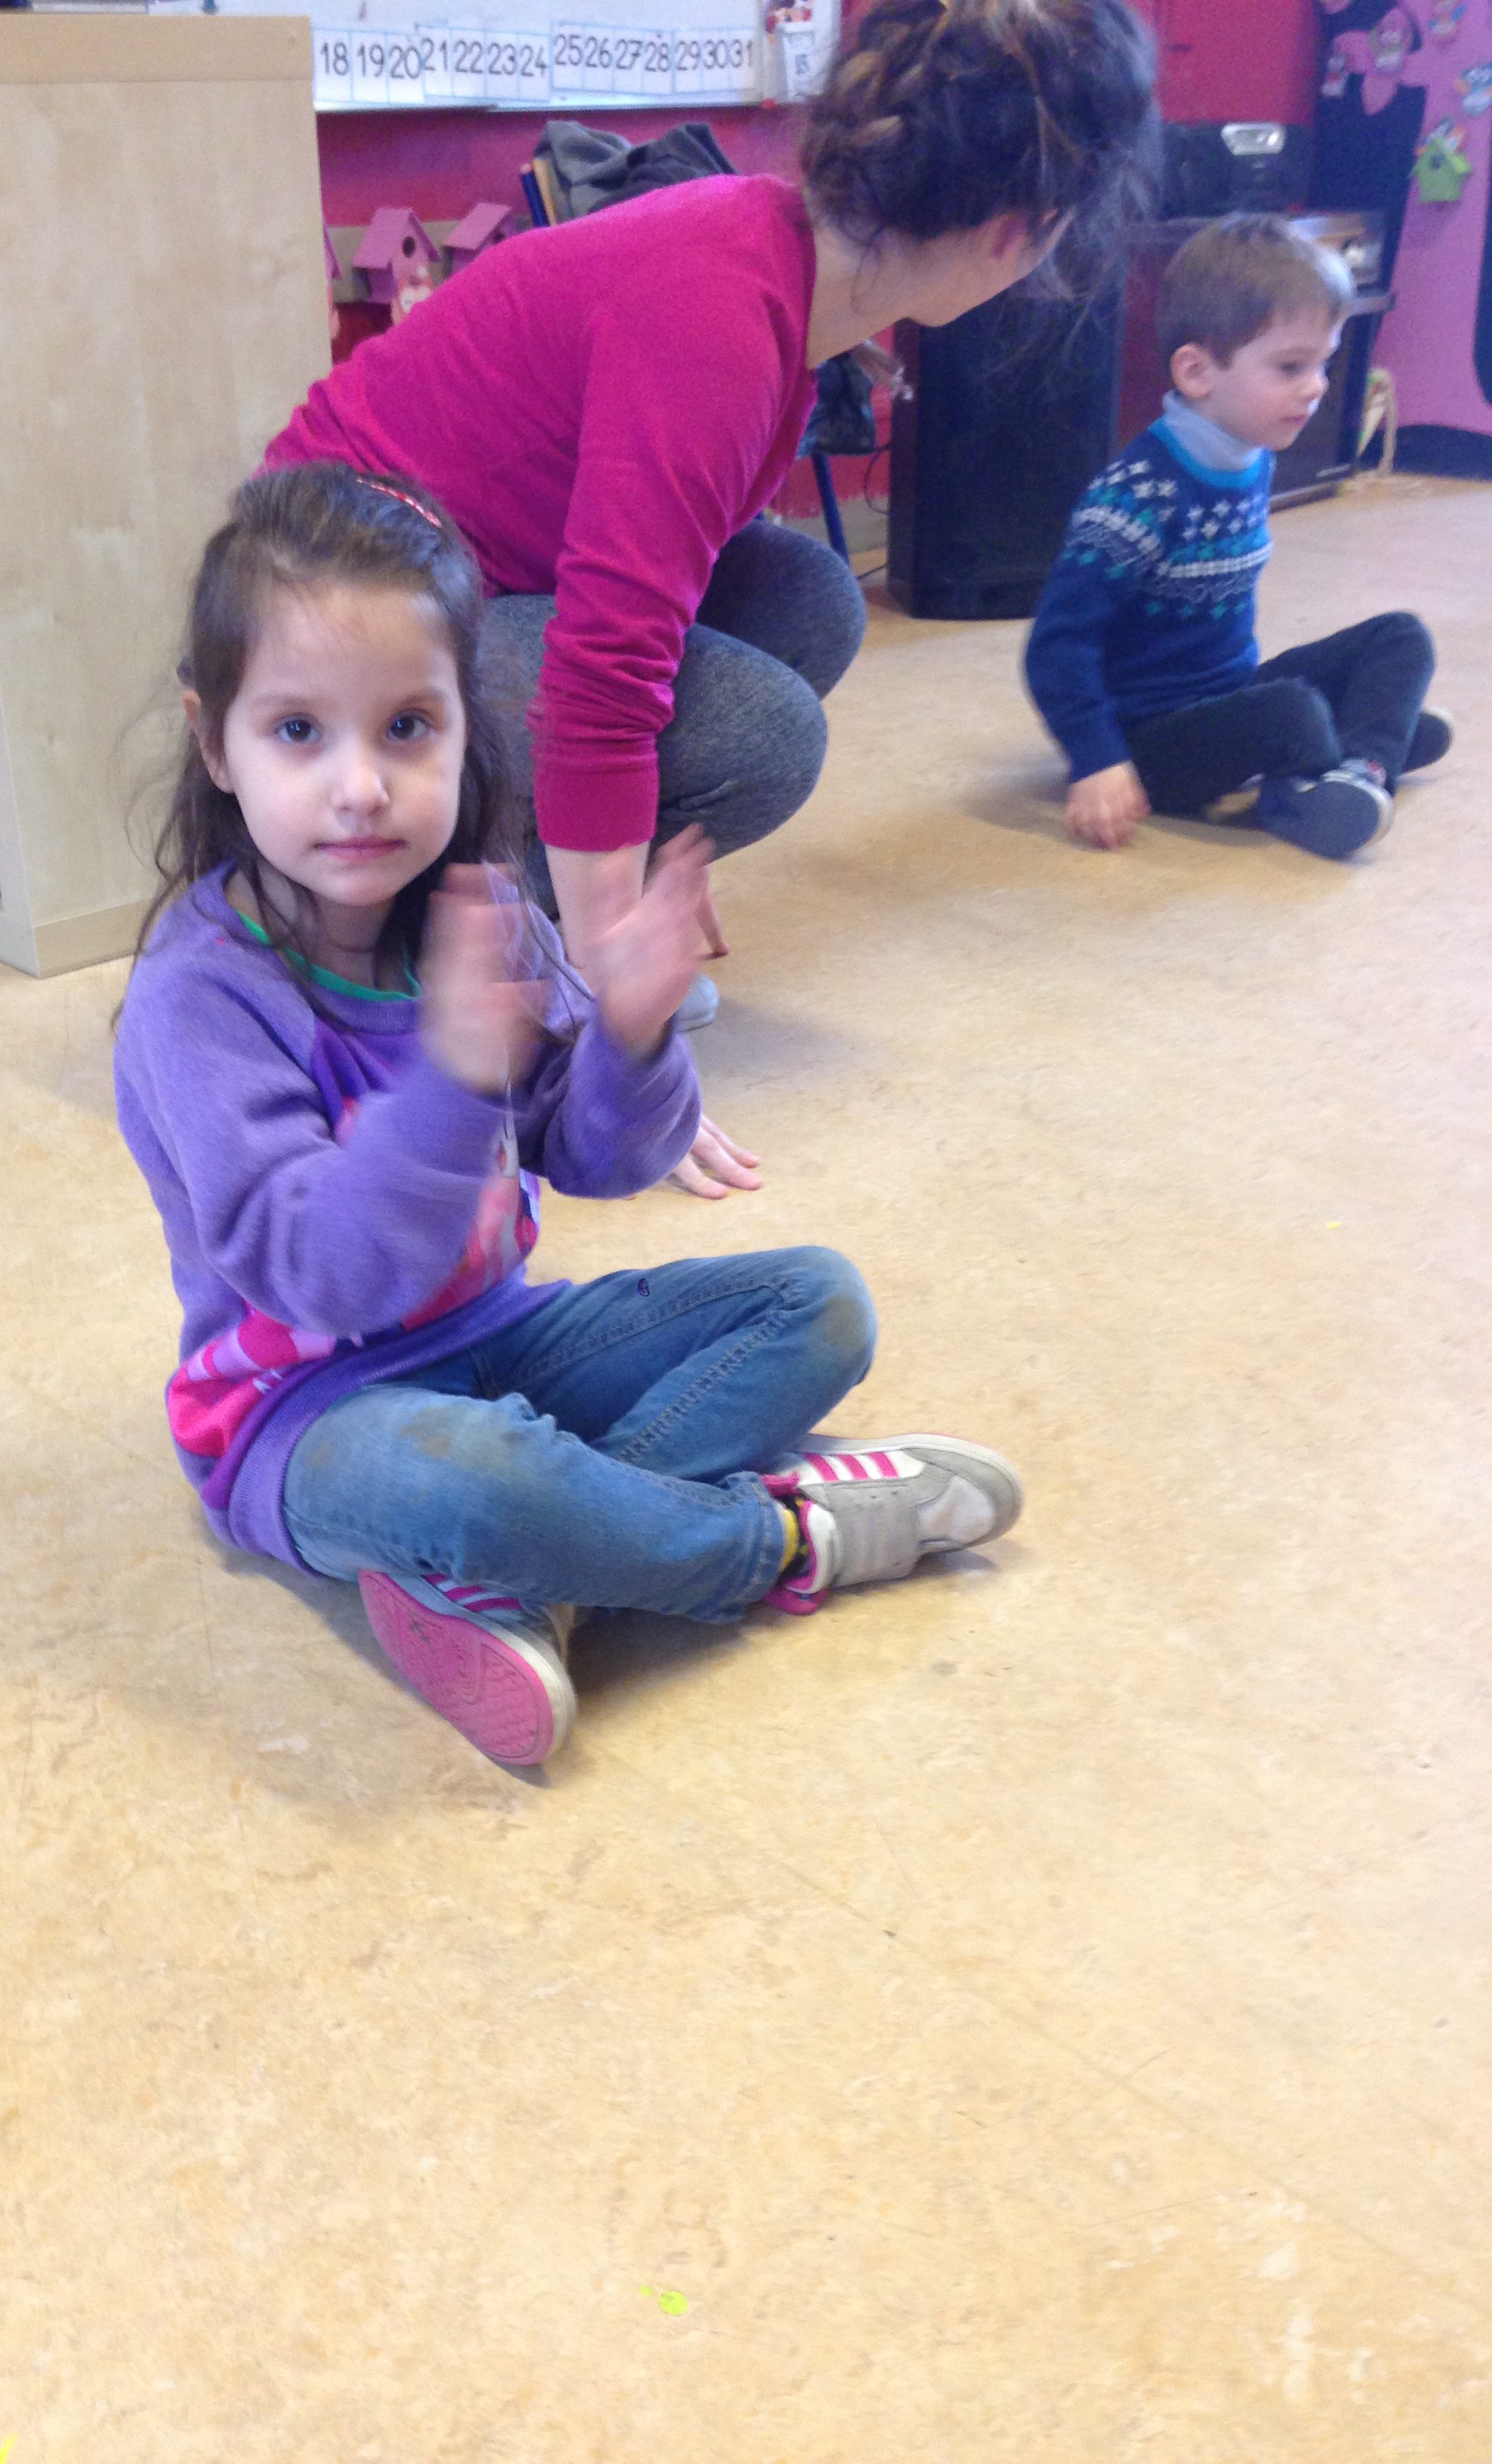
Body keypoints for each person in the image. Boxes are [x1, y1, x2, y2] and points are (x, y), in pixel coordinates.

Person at [113, 463, 1023, 1768]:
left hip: (503, 1337)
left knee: (818, 1304)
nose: (360, 786)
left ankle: (525, 1570)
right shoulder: (199, 998)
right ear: (216, 744)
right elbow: (320, 1269)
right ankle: (775, 1540)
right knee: (470, 1477)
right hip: (301, 1417)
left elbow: (600, 1156)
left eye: (407, 727)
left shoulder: (482, 914)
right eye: (298, 731)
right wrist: (449, 1081)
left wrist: (633, 1036)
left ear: (463, 728)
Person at [267, 0, 1158, 1194]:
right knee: (764, 732)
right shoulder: (722, 320)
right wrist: (621, 1044)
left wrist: (641, 866)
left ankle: (529, 900)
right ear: (1018, 233)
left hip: (444, 559)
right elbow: (603, 684)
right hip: (328, 602)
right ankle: (463, 948)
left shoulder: (776, 257)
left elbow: (649, 580)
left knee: (806, 597)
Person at [1025, 214, 1449, 859]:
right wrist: (1097, 760)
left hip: (1228, 696)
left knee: (1401, 636)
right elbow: (1057, 646)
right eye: (1290, 366)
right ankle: (1353, 752)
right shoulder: (1135, 499)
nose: (1316, 387)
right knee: (1294, 712)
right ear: (1198, 372)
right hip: (1148, 743)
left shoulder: (1252, 456)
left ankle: (1359, 766)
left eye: (1324, 363)